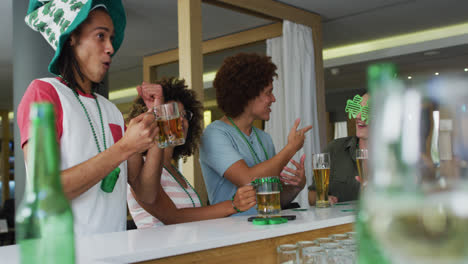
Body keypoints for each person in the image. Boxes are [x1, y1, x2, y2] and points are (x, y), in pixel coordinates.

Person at [17, 0, 163, 235]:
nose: (110, 48)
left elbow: (146, 193)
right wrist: (125, 147)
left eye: (111, 38)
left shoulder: (111, 111)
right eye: (100, 36)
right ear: (72, 37)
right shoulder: (44, 93)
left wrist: (156, 124)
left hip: (114, 254)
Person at [126, 78, 256, 228]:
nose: (181, 120)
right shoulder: (140, 168)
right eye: (173, 113)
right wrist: (233, 205)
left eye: (185, 115)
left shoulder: (174, 170)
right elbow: (173, 217)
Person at [199, 53, 313, 215]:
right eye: (268, 93)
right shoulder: (214, 134)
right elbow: (248, 180)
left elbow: (274, 200)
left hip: (267, 229)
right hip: (233, 234)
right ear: (247, 96)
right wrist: (291, 148)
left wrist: (296, 187)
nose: (273, 99)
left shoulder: (264, 138)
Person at [308, 93, 369, 205]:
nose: (358, 116)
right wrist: (322, 198)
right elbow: (311, 195)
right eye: (357, 109)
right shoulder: (334, 149)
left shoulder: (396, 156)